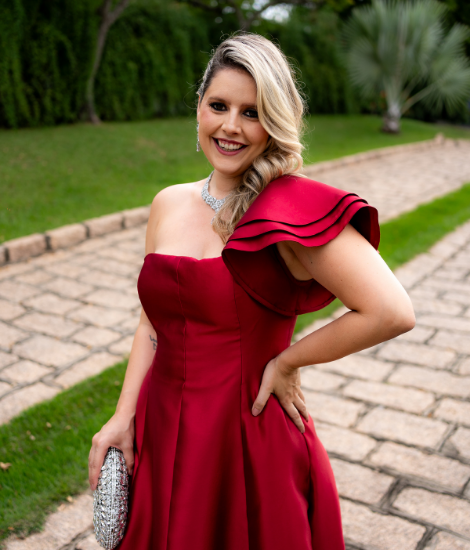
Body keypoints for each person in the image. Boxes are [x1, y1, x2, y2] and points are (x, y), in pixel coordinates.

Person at [88, 33, 415, 550]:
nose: (231, 126)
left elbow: (391, 310)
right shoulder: (167, 202)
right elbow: (153, 321)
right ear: (199, 107)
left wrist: (289, 361)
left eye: (252, 112)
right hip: (161, 423)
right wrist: (123, 416)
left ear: (275, 123)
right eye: (219, 106)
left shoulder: (289, 210)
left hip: (246, 436)